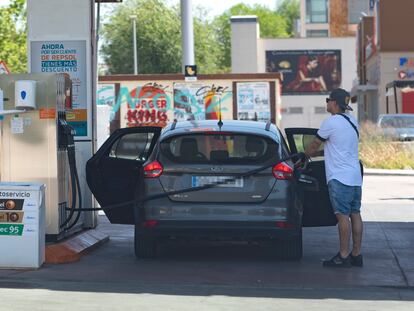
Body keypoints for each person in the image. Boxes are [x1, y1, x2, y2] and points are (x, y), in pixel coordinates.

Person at [304, 88, 363, 268]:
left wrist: (303, 157)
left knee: (342, 217)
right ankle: (356, 255)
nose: (327, 103)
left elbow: (314, 145)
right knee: (356, 214)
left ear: (335, 103)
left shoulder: (331, 122)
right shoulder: (353, 122)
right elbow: (338, 145)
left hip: (339, 178)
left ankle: (343, 256)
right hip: (354, 177)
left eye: (328, 100)